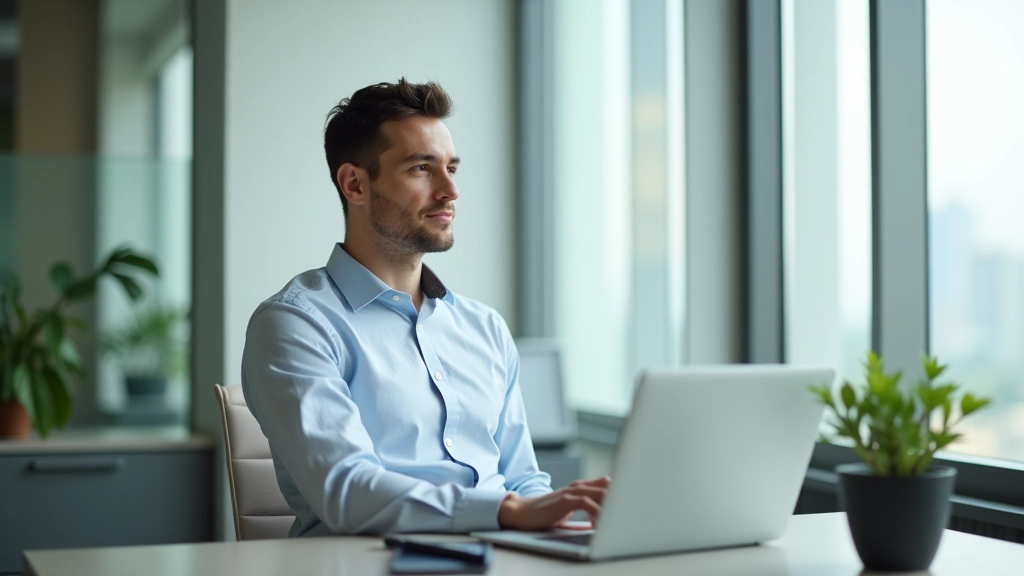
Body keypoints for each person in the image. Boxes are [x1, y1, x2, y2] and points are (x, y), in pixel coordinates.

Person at [241, 78, 609, 537]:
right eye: (422, 168)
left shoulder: (485, 328)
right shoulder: (295, 324)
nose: (450, 191)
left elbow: (522, 480)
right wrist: (505, 512)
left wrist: (570, 528)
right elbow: (347, 492)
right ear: (354, 184)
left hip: (504, 559)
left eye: (452, 168)